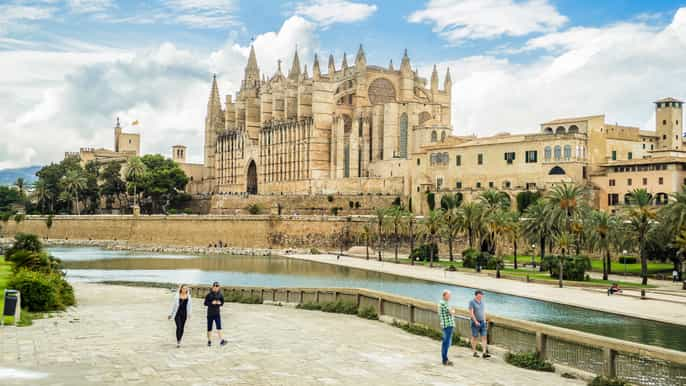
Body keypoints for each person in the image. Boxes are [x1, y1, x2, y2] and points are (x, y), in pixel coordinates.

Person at [204, 281, 227, 347]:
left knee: (219, 327)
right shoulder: (209, 294)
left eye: (217, 286)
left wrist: (220, 303)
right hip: (210, 314)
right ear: (212, 287)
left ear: (219, 287)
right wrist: (211, 303)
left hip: (217, 314)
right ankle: (209, 341)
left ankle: (221, 341)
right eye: (215, 286)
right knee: (209, 328)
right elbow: (205, 303)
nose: (216, 287)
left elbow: (222, 302)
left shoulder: (220, 294)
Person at [469, 290, 490, 358]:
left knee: (484, 337)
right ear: (476, 295)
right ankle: (474, 352)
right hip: (475, 322)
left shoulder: (482, 302)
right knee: (474, 337)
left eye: (482, 295)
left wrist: (484, 320)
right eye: (480, 295)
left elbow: (483, 312)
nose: (481, 296)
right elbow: (471, 313)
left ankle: (484, 353)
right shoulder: (472, 302)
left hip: (482, 322)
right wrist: (475, 321)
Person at [438, 290, 456, 365]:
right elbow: (451, 312)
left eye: (450, 296)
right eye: (448, 295)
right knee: (446, 342)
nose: (449, 297)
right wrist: (453, 311)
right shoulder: (443, 303)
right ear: (444, 295)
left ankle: (445, 359)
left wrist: (452, 311)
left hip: (448, 325)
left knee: (447, 342)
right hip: (447, 325)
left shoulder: (444, 303)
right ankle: (445, 360)